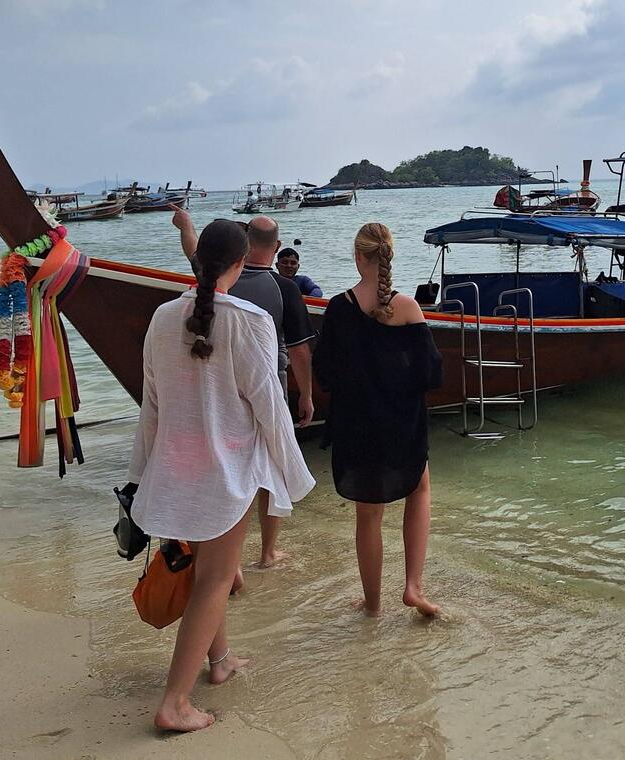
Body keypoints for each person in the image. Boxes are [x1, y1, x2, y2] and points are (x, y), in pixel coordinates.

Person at [127, 218, 315, 733]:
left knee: (203, 573)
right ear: (240, 263)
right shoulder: (250, 320)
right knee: (215, 579)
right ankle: (175, 702)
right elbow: (268, 403)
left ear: (200, 261)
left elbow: (152, 402)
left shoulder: (163, 316)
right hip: (229, 469)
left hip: (176, 464)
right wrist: (292, 471)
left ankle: (221, 660)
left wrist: (142, 471)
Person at [313, 222, 443, 618]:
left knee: (368, 515)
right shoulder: (408, 308)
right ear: (390, 256)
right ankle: (413, 587)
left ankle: (372, 605)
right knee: (419, 490)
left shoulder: (338, 308)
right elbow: (431, 374)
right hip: (401, 423)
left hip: (356, 425)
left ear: (358, 257)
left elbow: (325, 375)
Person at [173, 208, 314, 572]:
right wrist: (307, 395)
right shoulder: (284, 288)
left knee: (225, 466)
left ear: (246, 244)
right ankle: (267, 554)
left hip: (219, 389)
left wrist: (186, 225)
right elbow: (299, 349)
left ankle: (226, 558)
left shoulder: (213, 278)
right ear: (276, 247)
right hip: (268, 389)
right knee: (271, 469)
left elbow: (194, 250)